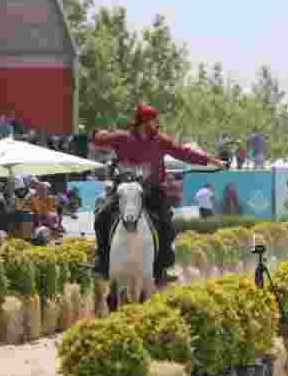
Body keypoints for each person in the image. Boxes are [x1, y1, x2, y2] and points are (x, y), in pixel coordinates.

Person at [90, 103, 224, 285]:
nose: (157, 123)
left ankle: (162, 269)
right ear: (144, 122)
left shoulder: (161, 141)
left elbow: (183, 152)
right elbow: (99, 140)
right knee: (102, 216)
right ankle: (102, 263)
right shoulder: (122, 138)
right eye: (154, 120)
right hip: (125, 190)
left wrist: (210, 160)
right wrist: (98, 135)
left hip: (153, 192)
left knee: (167, 226)